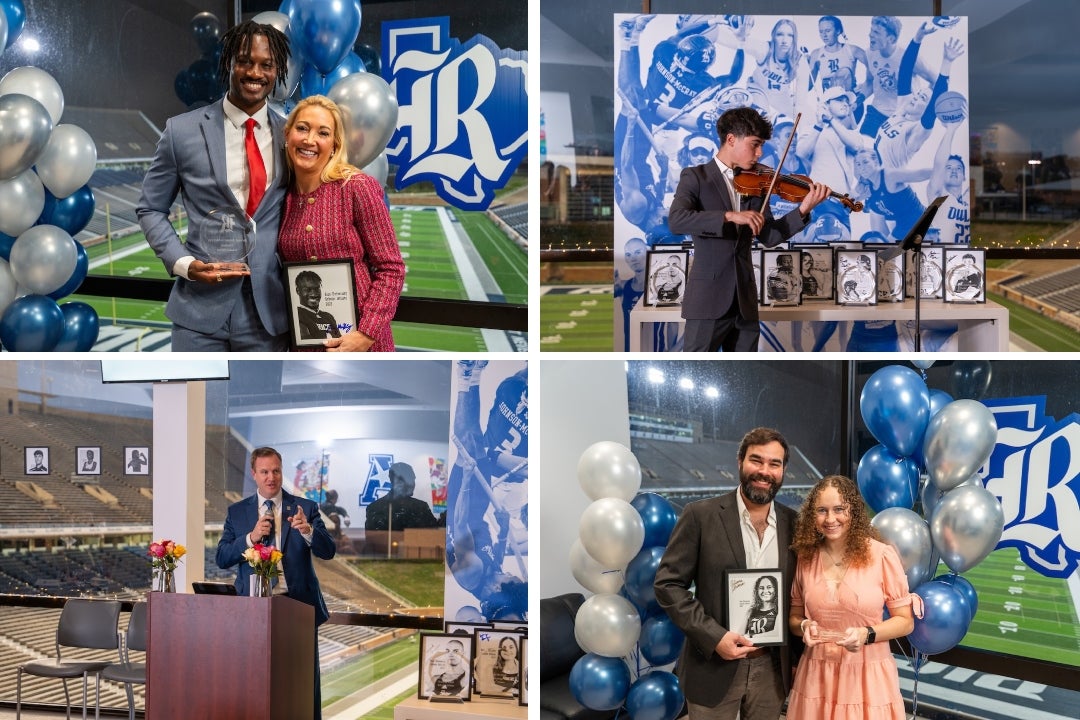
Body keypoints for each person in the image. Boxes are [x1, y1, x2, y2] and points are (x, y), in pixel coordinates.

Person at [137, 20, 292, 351]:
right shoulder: (180, 131)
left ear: (278, 70)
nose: (255, 72)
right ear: (229, 63)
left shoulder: (291, 136)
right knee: (192, 403)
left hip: (268, 314)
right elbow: (150, 208)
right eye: (245, 61)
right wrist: (185, 264)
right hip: (198, 314)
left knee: (258, 404)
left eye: (267, 65)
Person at [654, 427, 801, 720]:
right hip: (713, 665)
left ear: (783, 470)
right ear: (740, 462)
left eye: (775, 464)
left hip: (772, 668)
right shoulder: (700, 515)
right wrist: (714, 637)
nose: (764, 471)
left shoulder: (794, 523)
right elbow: (668, 584)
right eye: (756, 460)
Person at [668, 107, 830, 352]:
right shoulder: (696, 177)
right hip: (707, 301)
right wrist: (730, 216)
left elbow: (769, 236)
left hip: (745, 303)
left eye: (762, 145)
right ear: (731, 139)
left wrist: (802, 211)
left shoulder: (756, 182)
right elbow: (677, 220)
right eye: (755, 144)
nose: (760, 153)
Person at [216, 447, 336, 719]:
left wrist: (308, 531)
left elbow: (328, 551)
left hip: (299, 610)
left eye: (276, 471)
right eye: (265, 472)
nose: (271, 477)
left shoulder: (305, 508)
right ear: (254, 475)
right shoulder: (237, 513)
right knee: (255, 683)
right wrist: (251, 537)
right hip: (253, 613)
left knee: (303, 683)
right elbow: (222, 556)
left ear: (282, 472)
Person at [279, 95, 406, 352]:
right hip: (308, 345)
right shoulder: (283, 196)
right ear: (288, 134)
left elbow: (391, 268)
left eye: (322, 133)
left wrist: (365, 335)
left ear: (335, 145)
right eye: (302, 128)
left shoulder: (356, 187)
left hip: (363, 345)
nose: (309, 140)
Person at [787, 474, 919, 719]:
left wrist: (866, 634)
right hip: (816, 674)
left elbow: (905, 621)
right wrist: (803, 625)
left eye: (839, 509)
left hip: (867, 674)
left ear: (854, 512)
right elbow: (794, 618)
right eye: (822, 511)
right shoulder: (805, 558)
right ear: (811, 515)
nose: (830, 519)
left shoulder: (881, 555)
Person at [446, 361, 528, 621]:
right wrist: (503, 529)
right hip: (476, 511)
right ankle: (474, 374)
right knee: (478, 444)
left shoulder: (472, 574)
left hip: (463, 505)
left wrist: (467, 480)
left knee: (468, 444)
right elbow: (498, 553)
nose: (511, 573)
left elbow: (458, 524)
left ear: (495, 588)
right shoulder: (492, 576)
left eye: (510, 578)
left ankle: (465, 375)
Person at [364, 462, 438, 531]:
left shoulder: (421, 507)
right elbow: (373, 539)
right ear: (397, 481)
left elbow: (434, 534)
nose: (413, 484)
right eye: (410, 480)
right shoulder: (375, 508)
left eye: (413, 480)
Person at [293, 270, 341, 340]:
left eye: (317, 289)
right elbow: (308, 344)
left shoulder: (329, 317)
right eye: (308, 289)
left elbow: (339, 340)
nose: (313, 294)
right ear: (298, 291)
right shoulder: (297, 315)